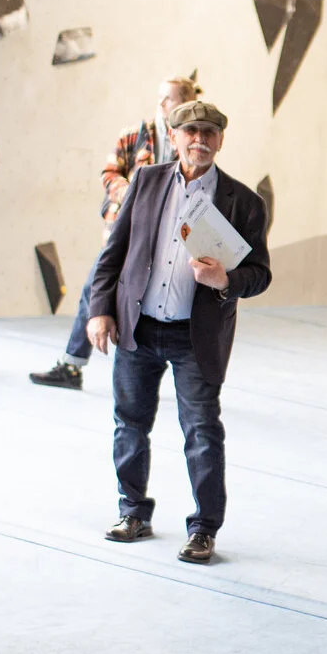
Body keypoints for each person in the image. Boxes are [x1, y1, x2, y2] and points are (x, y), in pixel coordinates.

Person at [85, 101, 271, 564]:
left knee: (202, 432)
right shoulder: (146, 182)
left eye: (209, 132)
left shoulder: (243, 201)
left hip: (196, 337)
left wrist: (227, 281)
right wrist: (99, 310)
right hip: (139, 328)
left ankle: (204, 529)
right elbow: (115, 250)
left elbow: (260, 274)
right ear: (173, 136)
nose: (199, 140)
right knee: (129, 423)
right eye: (190, 132)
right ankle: (133, 512)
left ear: (221, 140)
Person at [29, 75, 200, 390]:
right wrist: (134, 195)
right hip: (126, 232)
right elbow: (109, 173)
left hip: (170, 239)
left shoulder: (192, 141)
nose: (164, 103)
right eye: (163, 97)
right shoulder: (134, 135)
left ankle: (168, 376)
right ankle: (72, 364)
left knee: (159, 302)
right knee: (95, 290)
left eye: (172, 98)